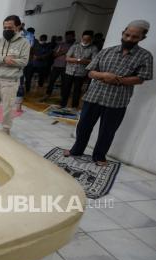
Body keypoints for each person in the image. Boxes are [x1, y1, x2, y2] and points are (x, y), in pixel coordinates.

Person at [65, 20, 153, 166]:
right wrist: (104, 76)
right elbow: (91, 72)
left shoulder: (145, 56)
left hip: (117, 100)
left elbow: (141, 78)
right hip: (94, 96)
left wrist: (118, 80)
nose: (129, 39)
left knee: (107, 131)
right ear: (123, 33)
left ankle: (99, 156)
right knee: (83, 126)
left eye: (134, 37)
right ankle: (76, 150)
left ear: (142, 38)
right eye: (127, 35)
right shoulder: (107, 51)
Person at [0, 15, 30, 135]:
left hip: (10, 82)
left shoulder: (24, 43)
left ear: (18, 27)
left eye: (10, 27)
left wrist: (12, 61)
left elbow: (24, 61)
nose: (7, 30)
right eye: (5, 27)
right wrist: (4, 59)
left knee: (7, 108)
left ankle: (5, 131)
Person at [61, 30, 98, 109]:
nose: (85, 41)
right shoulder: (75, 46)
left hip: (81, 73)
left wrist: (76, 59)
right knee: (66, 88)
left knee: (77, 90)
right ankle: (62, 104)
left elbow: (93, 61)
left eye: (87, 40)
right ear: (81, 38)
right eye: (84, 39)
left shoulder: (93, 48)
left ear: (91, 39)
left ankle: (74, 106)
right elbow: (67, 58)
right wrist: (80, 60)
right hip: (69, 71)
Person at [43, 31, 76, 101]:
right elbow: (54, 55)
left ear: (73, 37)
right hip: (56, 66)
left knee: (64, 83)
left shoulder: (75, 46)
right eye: (67, 37)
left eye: (70, 37)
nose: (68, 38)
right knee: (51, 80)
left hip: (67, 67)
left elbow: (74, 57)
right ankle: (48, 94)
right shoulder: (61, 45)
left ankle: (62, 96)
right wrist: (63, 52)